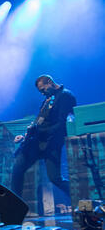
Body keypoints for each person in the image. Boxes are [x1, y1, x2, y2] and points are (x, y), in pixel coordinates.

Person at [11, 75, 76, 204]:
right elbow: (40, 122)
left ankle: (79, 197)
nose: (42, 93)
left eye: (42, 89)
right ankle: (13, 205)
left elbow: (62, 123)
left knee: (55, 178)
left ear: (50, 82)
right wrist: (26, 134)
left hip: (52, 143)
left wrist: (41, 131)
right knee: (18, 167)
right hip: (36, 143)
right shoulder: (48, 98)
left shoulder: (65, 96)